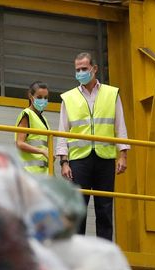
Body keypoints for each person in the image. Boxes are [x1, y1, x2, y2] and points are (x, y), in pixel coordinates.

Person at [56, 52, 130, 241]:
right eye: (77, 69)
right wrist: (63, 161)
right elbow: (62, 131)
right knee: (78, 207)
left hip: (105, 158)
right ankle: (77, 247)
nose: (80, 72)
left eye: (84, 69)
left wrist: (123, 155)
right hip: (79, 159)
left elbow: (119, 125)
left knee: (104, 208)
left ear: (94, 69)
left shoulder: (111, 94)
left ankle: (103, 249)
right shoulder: (68, 98)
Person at [15, 81, 50, 174]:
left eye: (45, 98)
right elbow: (20, 143)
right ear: (30, 96)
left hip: (43, 173)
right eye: (39, 97)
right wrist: (42, 151)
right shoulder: (27, 114)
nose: (43, 100)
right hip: (29, 172)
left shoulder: (44, 120)